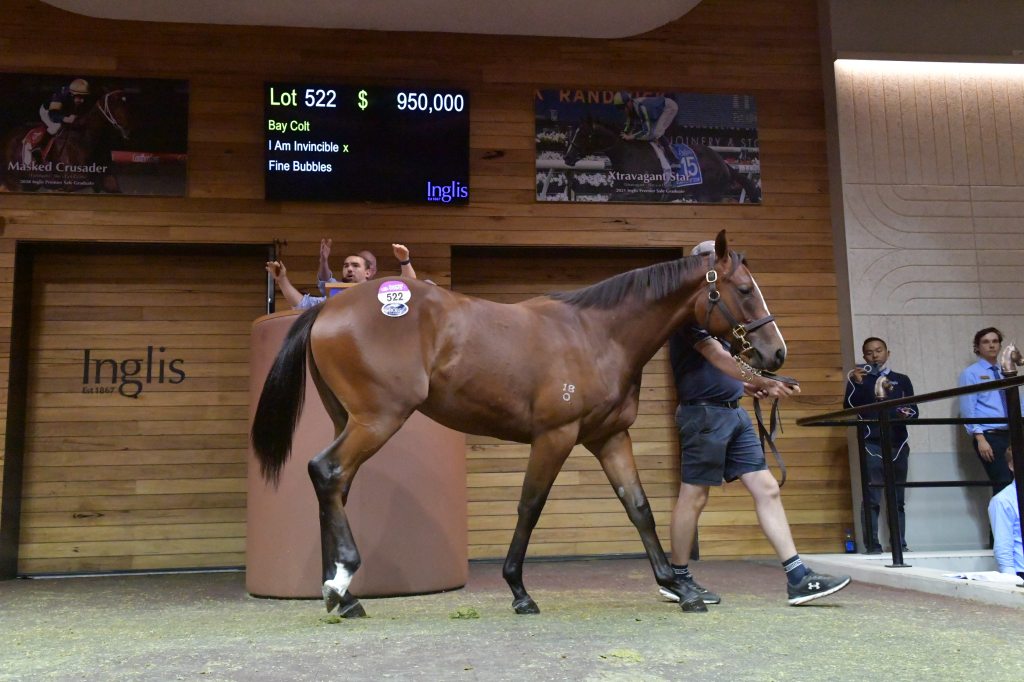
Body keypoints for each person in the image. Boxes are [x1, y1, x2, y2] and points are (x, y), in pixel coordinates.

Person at [663, 241, 851, 607]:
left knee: (767, 488)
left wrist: (750, 385)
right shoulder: (686, 318)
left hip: (732, 413)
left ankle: (797, 577)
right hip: (703, 416)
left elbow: (731, 370)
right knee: (694, 496)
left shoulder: (719, 318)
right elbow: (718, 359)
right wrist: (763, 379)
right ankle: (678, 577)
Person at [844, 337, 918, 553]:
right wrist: (856, 384)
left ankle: (899, 544)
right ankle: (872, 546)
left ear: (888, 352)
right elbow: (849, 407)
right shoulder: (859, 379)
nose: (874, 355)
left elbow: (913, 410)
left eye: (879, 350)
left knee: (897, 500)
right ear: (864, 356)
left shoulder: (901, 379)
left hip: (898, 442)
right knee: (872, 497)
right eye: (869, 352)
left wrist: (902, 412)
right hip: (872, 443)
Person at [265, 242, 415, 310]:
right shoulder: (335, 295)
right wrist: (282, 279)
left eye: (355, 266)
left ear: (368, 272)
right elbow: (301, 304)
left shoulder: (379, 291)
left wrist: (405, 261)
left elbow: (409, 287)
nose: (349, 269)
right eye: (346, 265)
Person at [958, 327, 1015, 495]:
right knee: (1002, 482)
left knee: (1015, 482)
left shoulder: (1006, 371)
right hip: (989, 434)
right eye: (986, 342)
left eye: (995, 341)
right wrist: (980, 438)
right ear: (977, 347)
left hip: (1011, 433)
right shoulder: (971, 373)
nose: (991, 345)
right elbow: (968, 407)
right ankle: (998, 522)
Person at [612, 91, 679, 165]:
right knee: (649, 134)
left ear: (629, 102)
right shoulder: (632, 108)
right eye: (621, 109)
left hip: (669, 107)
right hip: (656, 112)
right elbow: (629, 125)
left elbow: (646, 131)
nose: (624, 111)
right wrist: (624, 133)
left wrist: (631, 136)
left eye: (623, 107)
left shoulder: (641, 107)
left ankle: (673, 159)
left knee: (656, 133)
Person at [988, 447, 1023, 579]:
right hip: (1021, 572)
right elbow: (1003, 547)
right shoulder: (1003, 501)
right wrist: (1012, 582)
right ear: (1012, 466)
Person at [33, 78, 90, 159]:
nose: (82, 100)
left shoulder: (75, 96)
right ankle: (38, 148)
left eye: (84, 97)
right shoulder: (60, 95)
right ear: (72, 94)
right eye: (80, 97)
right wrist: (65, 119)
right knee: (56, 127)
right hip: (48, 111)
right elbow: (53, 115)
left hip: (64, 111)